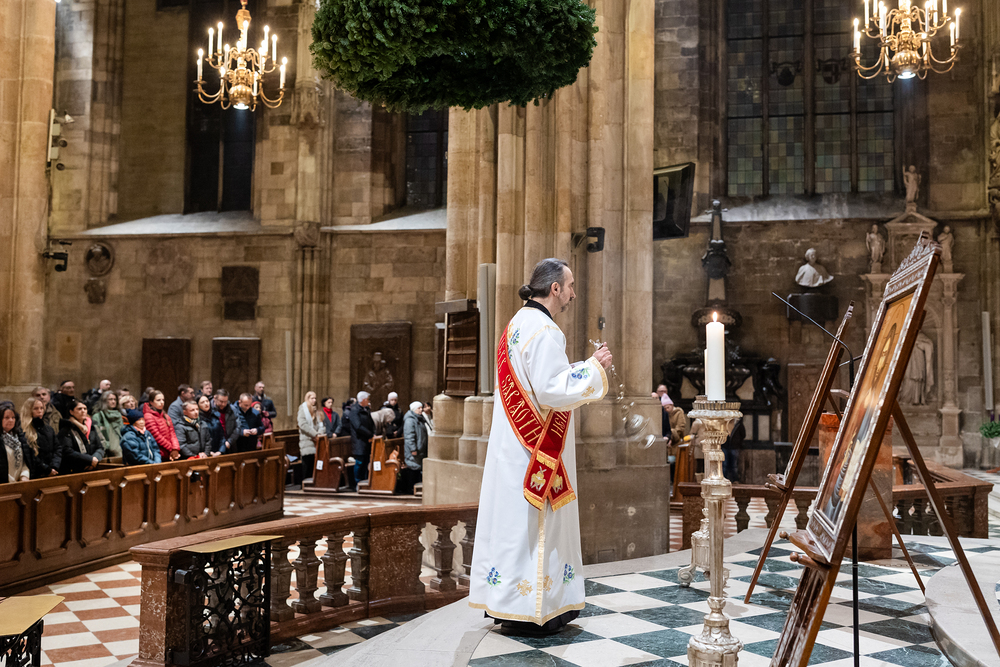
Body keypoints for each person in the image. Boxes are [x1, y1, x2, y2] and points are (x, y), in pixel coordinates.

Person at [469, 258, 611, 636]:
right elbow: (551, 389)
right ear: (555, 289)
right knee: (533, 528)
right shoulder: (546, 330)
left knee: (513, 529)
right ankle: (536, 611)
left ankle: (509, 605)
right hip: (534, 454)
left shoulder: (516, 324)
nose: (573, 294)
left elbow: (538, 384)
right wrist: (594, 367)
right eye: (570, 286)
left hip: (512, 451)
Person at [58, 399, 105, 474]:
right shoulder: (66, 429)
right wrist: (89, 460)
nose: (83, 411)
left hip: (92, 467)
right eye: (79, 409)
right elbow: (67, 451)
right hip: (74, 470)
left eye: (85, 409)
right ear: (71, 412)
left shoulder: (91, 427)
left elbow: (100, 447)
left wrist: (94, 460)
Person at [21, 398, 60, 477]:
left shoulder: (49, 429)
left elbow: (57, 448)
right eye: (36, 408)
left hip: (53, 470)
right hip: (36, 473)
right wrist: (47, 469)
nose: (40, 411)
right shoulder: (23, 431)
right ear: (28, 410)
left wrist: (54, 466)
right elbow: (31, 455)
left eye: (41, 408)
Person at [346, 391, 375, 489]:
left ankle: (365, 482)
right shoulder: (354, 411)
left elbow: (371, 423)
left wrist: (373, 433)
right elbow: (358, 426)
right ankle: (357, 482)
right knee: (359, 462)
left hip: (367, 440)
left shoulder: (366, 409)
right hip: (359, 441)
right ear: (363, 400)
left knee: (366, 461)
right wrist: (370, 434)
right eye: (368, 399)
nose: (369, 401)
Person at [399, 401, 427, 495]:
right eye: (419, 408)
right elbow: (409, 436)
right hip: (414, 450)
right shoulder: (410, 420)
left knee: (417, 468)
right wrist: (413, 449)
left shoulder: (419, 419)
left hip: (420, 450)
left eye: (421, 408)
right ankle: (410, 489)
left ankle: (415, 489)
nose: (421, 410)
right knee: (412, 468)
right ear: (413, 409)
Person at [143, 390, 181, 461]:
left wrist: (175, 448)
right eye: (158, 400)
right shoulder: (148, 416)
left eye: (163, 400)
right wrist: (171, 449)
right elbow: (157, 436)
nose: (162, 402)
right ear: (151, 402)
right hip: (158, 452)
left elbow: (172, 433)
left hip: (169, 452)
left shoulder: (166, 416)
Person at [2, 401, 33, 484]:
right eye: (7, 417)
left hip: (20, 483)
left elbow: (24, 461)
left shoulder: (19, 437)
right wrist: (11, 481)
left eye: (13, 417)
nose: (11, 420)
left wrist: (24, 476)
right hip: (4, 484)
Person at [297, 391, 323, 479]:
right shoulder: (303, 409)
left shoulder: (317, 409)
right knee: (307, 465)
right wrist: (315, 434)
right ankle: (305, 482)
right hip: (307, 440)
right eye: (312, 398)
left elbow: (321, 424)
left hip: (317, 440)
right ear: (307, 399)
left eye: (315, 398)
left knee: (315, 466)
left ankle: (314, 482)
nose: (314, 400)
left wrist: (320, 434)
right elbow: (302, 424)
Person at [92, 391, 124, 458]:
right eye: (110, 399)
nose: (113, 401)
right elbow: (97, 435)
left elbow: (121, 433)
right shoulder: (98, 416)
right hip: (105, 451)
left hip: (119, 449)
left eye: (115, 399)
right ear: (104, 401)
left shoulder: (118, 415)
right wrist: (107, 446)